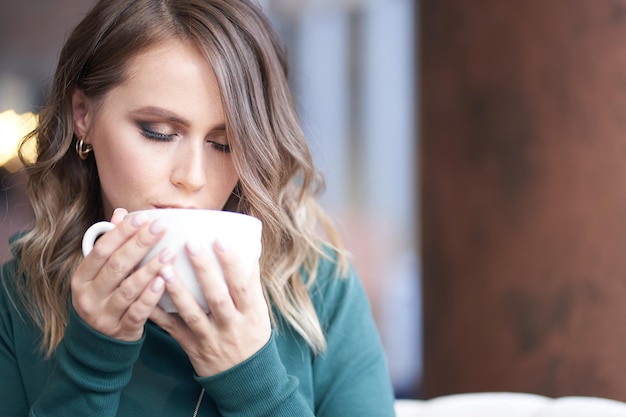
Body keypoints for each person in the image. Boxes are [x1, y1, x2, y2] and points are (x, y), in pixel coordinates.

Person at [0, 0, 397, 415]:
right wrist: (88, 366)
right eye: (158, 132)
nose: (192, 176)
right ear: (83, 113)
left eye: (224, 143)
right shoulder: (18, 299)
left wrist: (253, 380)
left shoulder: (321, 293)